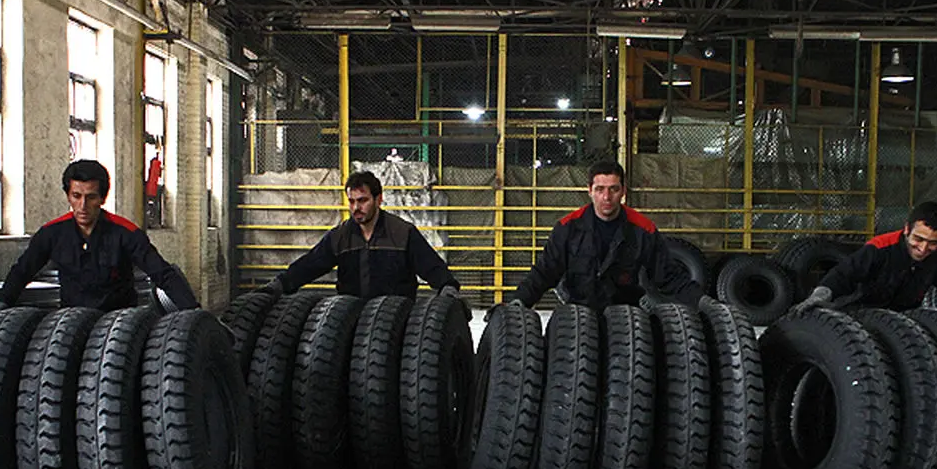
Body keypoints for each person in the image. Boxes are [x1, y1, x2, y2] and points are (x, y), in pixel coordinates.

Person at [0, 159, 199, 312]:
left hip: (120, 324)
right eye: (76, 196)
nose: (82, 206)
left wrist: (193, 311)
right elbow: (23, 271)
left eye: (91, 197)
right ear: (68, 196)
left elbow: (162, 273)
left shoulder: (126, 234)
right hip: (72, 322)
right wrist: (1, 304)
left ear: (102, 198)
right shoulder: (51, 234)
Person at [508, 160, 703, 312]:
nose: (607, 197)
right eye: (600, 189)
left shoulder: (643, 230)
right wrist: (520, 300)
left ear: (623, 192)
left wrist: (703, 302)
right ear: (590, 191)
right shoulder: (568, 228)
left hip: (626, 316)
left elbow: (668, 276)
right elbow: (545, 272)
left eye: (614, 189)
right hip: (578, 314)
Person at [260, 170, 464, 306]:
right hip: (350, 318)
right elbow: (310, 265)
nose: (356, 208)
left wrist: (448, 288)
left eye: (363, 200)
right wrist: (279, 285)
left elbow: (431, 266)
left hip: (397, 320)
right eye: (351, 201)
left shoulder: (403, 233)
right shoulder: (340, 237)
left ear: (379, 199)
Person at [790, 200, 937, 315]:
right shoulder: (881, 248)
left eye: (932, 242)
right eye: (918, 239)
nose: (923, 248)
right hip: (861, 313)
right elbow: (844, 274)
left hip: (902, 320)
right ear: (906, 229)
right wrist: (819, 296)